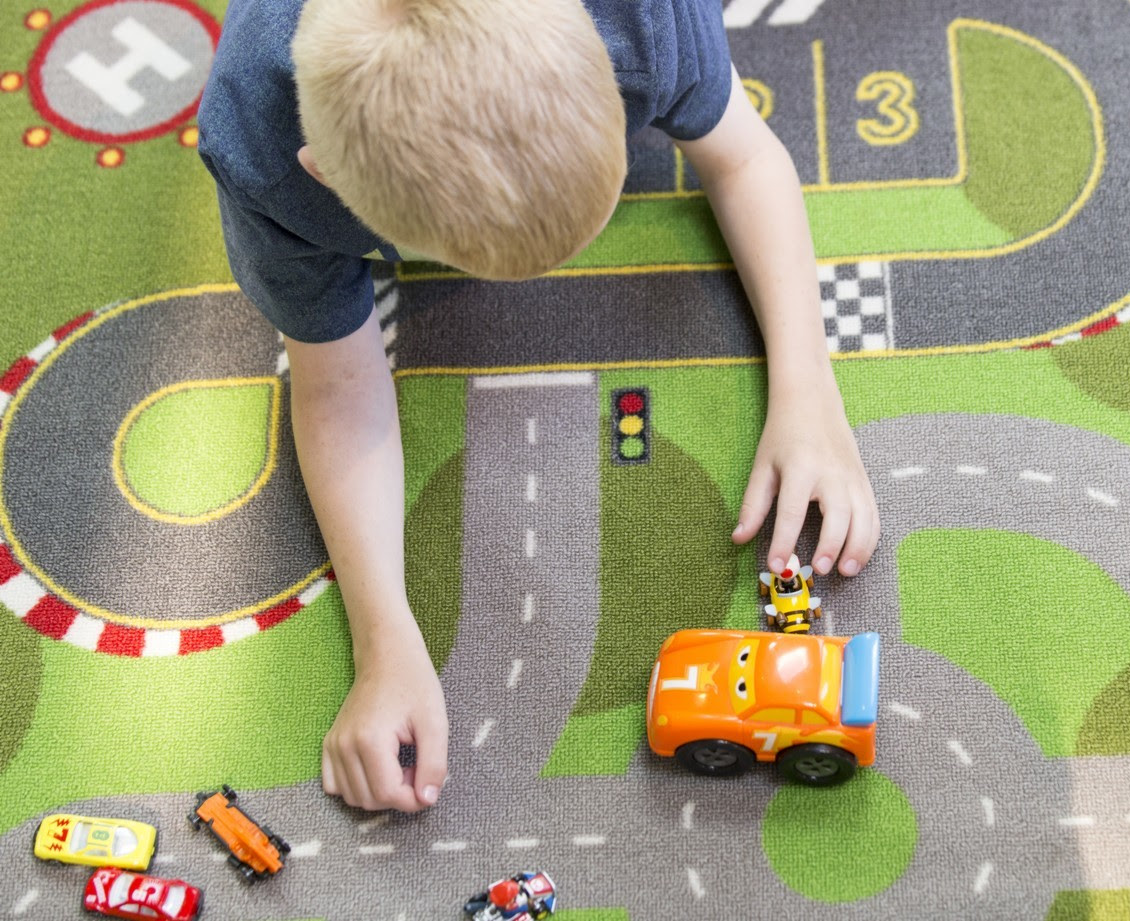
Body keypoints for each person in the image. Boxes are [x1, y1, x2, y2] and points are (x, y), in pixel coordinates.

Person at [196, 0, 880, 813]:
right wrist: (386, 643)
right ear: (327, 172)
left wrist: (809, 393)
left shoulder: (648, 18)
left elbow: (746, 161)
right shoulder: (261, 154)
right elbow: (336, 388)